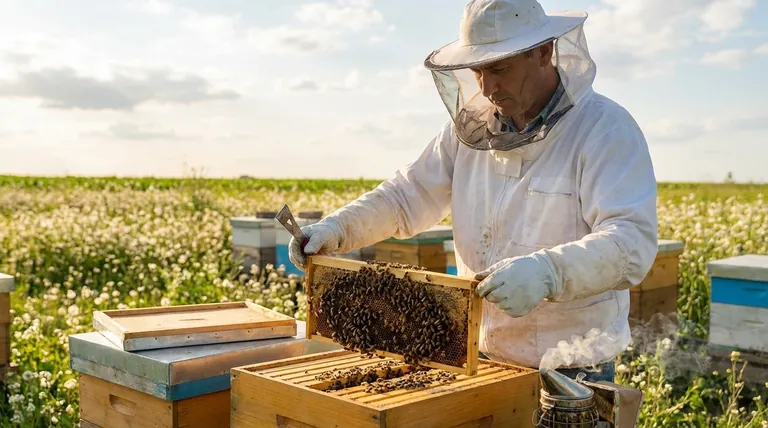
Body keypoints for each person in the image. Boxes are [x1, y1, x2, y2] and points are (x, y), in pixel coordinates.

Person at [289, 0, 658, 383]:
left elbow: (631, 242)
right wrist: (338, 228)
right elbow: (406, 195)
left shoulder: (605, 129)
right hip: (481, 356)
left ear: (544, 52)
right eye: (478, 71)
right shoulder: (468, 133)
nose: (487, 87)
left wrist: (549, 272)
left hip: (573, 366)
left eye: (499, 68)